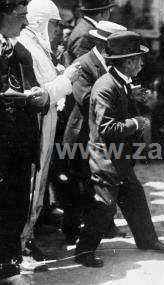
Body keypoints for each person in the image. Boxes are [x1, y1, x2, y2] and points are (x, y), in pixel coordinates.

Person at [75, 31, 164, 268]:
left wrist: (132, 96)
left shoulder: (119, 82)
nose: (141, 64)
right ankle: (83, 252)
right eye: (139, 59)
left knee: (135, 198)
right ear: (128, 61)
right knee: (105, 208)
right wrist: (138, 122)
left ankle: (148, 240)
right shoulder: (106, 86)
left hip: (119, 158)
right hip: (106, 160)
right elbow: (108, 127)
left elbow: (119, 104)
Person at [17, 0, 81, 272]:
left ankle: (26, 238)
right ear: (40, 22)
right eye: (55, 24)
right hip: (36, 123)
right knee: (31, 181)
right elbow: (39, 94)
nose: (58, 30)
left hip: (46, 121)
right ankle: (20, 246)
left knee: (39, 182)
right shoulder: (26, 46)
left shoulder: (36, 45)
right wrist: (67, 78)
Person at [62, 20, 127, 246]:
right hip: (81, 134)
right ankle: (70, 231)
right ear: (103, 45)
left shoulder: (109, 65)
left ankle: (102, 227)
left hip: (98, 134)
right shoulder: (83, 64)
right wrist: (121, 98)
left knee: (95, 184)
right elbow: (87, 99)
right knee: (78, 183)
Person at [0, 0, 50, 279]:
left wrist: (39, 97)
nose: (26, 22)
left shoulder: (20, 50)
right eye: (20, 15)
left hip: (20, 142)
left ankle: (9, 262)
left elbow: (33, 89)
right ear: (3, 14)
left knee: (15, 203)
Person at [65, 0, 116, 65]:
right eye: (109, 11)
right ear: (103, 13)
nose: (109, 15)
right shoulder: (86, 34)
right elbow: (84, 65)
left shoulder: (86, 27)